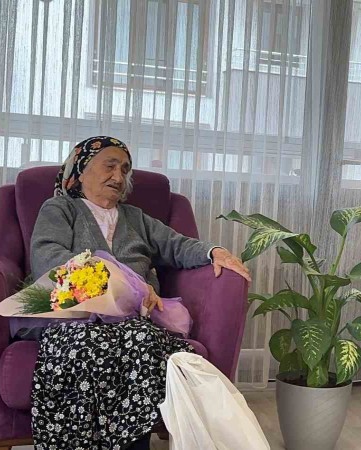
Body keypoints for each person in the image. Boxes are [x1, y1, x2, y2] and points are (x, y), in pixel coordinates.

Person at [29, 136, 251, 450]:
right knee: (86, 344)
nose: (118, 176)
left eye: (124, 169)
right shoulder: (60, 208)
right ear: (80, 170)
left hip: (133, 319)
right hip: (77, 314)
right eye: (109, 166)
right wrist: (124, 280)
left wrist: (214, 251)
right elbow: (47, 257)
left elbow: (176, 244)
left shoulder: (135, 217)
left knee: (143, 339)